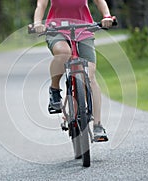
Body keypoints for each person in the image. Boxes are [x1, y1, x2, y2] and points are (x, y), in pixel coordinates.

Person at [33, 0, 114, 141]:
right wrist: (37, 23)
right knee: (64, 52)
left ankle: (98, 126)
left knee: (89, 75)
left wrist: (106, 16)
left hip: (84, 30)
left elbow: (100, 1)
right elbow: (41, 5)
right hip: (56, 30)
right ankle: (54, 90)